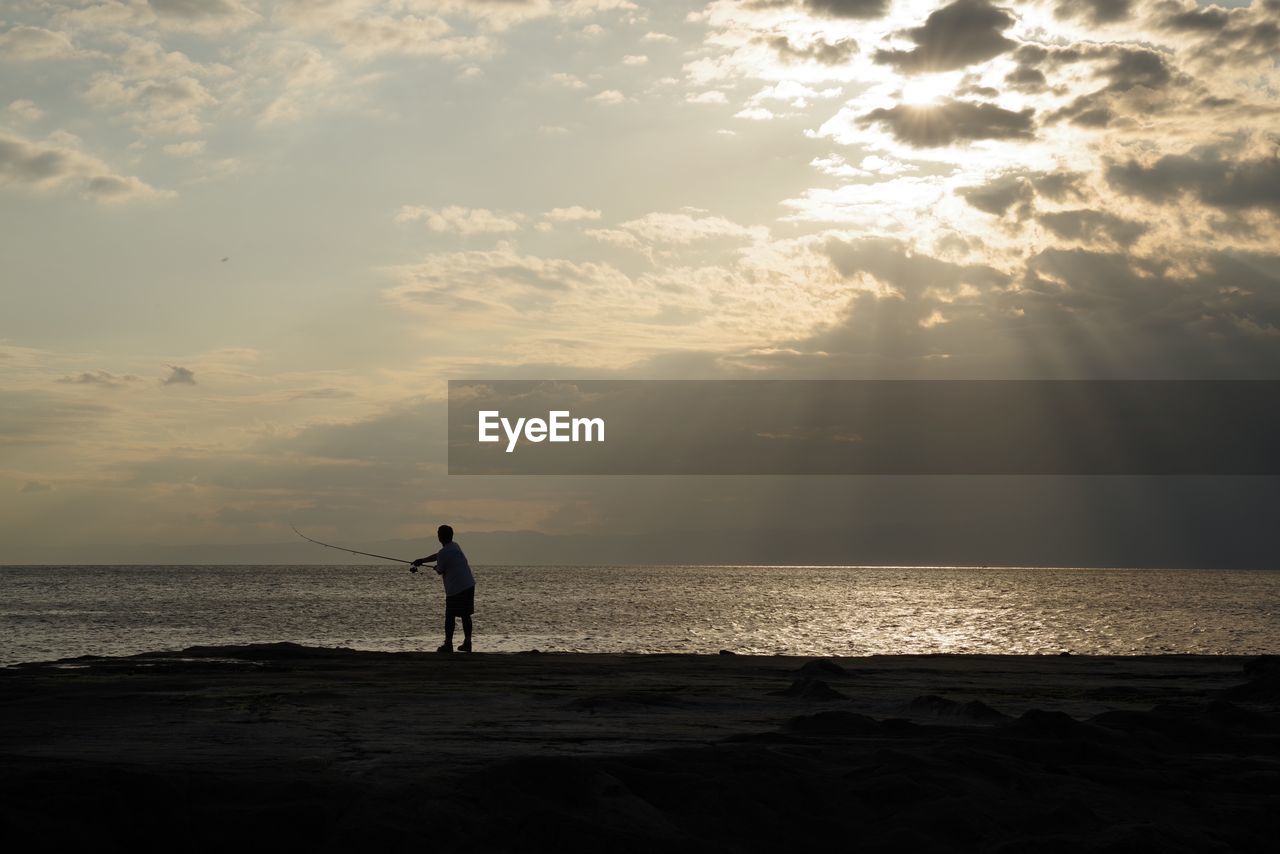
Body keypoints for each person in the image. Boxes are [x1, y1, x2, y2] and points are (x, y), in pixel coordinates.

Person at [411, 525, 476, 653]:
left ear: (440, 537)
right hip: (468, 584)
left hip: (456, 588)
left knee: (450, 615)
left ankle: (448, 644)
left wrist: (435, 568)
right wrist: (423, 560)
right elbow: (439, 556)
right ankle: (467, 642)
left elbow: (440, 569)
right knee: (465, 615)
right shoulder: (455, 546)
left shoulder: (444, 552)